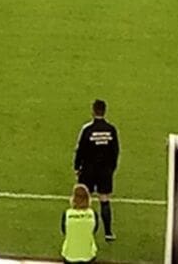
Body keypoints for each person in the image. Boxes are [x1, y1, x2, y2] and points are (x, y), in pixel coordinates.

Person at [73, 99, 119, 241]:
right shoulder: (111, 129)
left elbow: (80, 150)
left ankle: (84, 230)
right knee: (104, 199)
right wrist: (111, 168)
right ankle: (108, 233)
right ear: (104, 111)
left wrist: (77, 167)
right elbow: (115, 151)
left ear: (93, 111)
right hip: (105, 171)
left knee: (84, 199)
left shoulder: (87, 129)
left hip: (88, 170)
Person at [60, 184, 100, 263]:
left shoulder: (67, 214)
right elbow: (94, 230)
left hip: (69, 255)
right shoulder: (93, 214)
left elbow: (64, 231)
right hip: (88, 255)